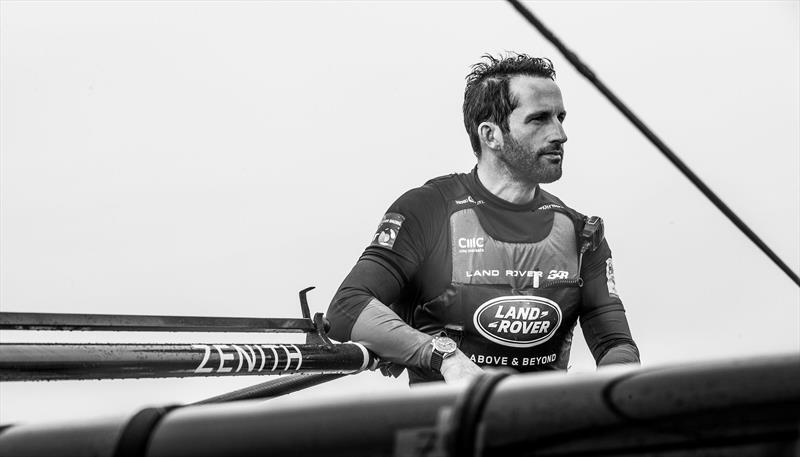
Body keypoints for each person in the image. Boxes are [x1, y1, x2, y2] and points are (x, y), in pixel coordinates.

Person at [326, 53, 639, 385]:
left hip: (542, 424)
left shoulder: (580, 234)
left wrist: (620, 391)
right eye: (539, 119)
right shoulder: (429, 210)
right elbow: (346, 309)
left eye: (560, 117)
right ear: (491, 135)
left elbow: (615, 344)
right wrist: (444, 356)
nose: (560, 134)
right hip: (447, 426)